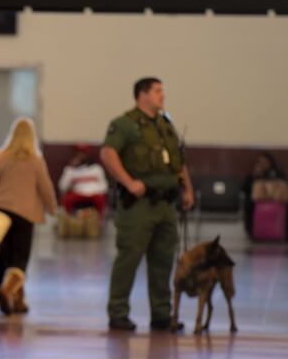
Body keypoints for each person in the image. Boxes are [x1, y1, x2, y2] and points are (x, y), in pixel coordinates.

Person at [100, 77, 194, 332]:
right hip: (139, 206)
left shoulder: (165, 125)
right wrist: (129, 182)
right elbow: (108, 154)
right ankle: (118, 311)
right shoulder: (125, 124)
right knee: (129, 258)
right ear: (142, 95)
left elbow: (178, 159)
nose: (162, 95)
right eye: (157, 91)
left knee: (163, 260)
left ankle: (162, 314)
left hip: (166, 204)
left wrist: (188, 188)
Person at [0, 117, 57, 315]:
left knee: (7, 257)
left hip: (1, 214)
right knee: (20, 259)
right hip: (25, 215)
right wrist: (52, 207)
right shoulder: (35, 160)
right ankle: (7, 290)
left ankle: (19, 301)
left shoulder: (1, 156)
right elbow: (45, 186)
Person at [242, 152, 288, 242]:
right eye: (261, 162)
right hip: (258, 202)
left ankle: (284, 233)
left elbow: (284, 188)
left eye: (265, 162)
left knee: (286, 208)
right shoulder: (254, 174)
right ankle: (254, 232)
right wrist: (255, 177)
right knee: (249, 206)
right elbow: (245, 189)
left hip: (276, 201)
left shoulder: (278, 173)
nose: (263, 164)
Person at [58, 144, 109, 215]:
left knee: (100, 199)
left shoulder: (96, 168)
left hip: (95, 193)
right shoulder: (70, 170)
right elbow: (62, 187)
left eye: (83, 153)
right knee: (67, 199)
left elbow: (104, 186)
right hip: (77, 193)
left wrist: (95, 191)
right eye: (78, 153)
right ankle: (69, 222)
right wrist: (69, 170)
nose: (80, 155)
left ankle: (99, 222)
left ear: (87, 154)